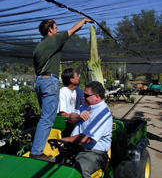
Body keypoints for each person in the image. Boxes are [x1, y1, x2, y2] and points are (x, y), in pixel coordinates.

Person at [30, 18, 93, 161]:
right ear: (50, 30)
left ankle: (38, 148)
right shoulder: (54, 40)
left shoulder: (37, 48)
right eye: (56, 27)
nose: (57, 29)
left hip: (39, 81)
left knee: (45, 117)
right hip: (50, 82)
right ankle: (36, 152)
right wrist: (83, 20)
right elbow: (73, 29)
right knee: (47, 119)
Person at [52, 81, 112, 178]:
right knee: (51, 165)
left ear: (96, 96)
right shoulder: (86, 106)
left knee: (80, 167)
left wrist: (62, 140)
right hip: (77, 148)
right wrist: (79, 116)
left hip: (94, 153)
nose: (83, 97)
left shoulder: (103, 114)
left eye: (86, 95)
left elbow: (85, 139)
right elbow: (71, 118)